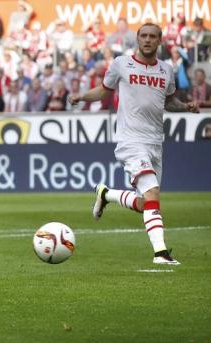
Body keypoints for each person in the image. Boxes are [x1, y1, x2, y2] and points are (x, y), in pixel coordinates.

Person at [68, 23, 199, 265]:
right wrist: (81, 96)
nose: (147, 40)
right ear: (137, 39)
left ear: (159, 40)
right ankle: (161, 253)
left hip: (155, 142)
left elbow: (168, 102)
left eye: (152, 36)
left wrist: (184, 107)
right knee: (153, 194)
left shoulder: (166, 70)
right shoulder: (121, 64)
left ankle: (106, 194)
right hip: (130, 140)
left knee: (145, 202)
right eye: (143, 36)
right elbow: (103, 91)